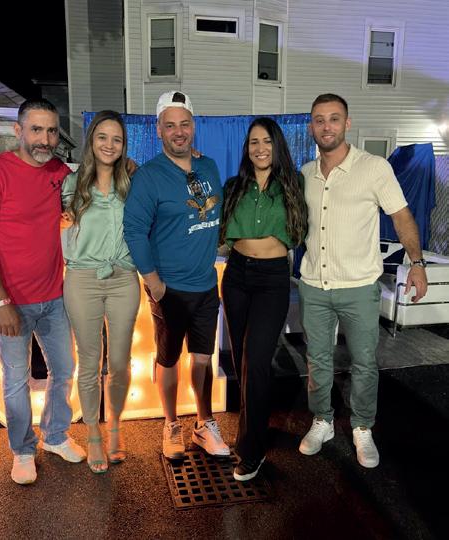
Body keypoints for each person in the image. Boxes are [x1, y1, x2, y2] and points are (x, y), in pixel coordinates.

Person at [298, 93, 428, 468]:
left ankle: (362, 427)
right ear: (311, 127)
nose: (326, 126)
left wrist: (417, 263)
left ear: (347, 123)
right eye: (319, 119)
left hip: (358, 287)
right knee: (317, 360)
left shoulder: (374, 168)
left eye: (334, 118)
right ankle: (322, 420)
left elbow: (402, 216)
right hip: (314, 285)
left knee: (364, 362)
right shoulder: (305, 173)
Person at [0, 98, 85, 485]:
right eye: (36, 129)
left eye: (51, 131)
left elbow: (89, 190)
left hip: (54, 297)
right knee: (16, 379)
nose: (45, 139)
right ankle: (22, 449)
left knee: (63, 370)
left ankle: (55, 435)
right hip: (11, 301)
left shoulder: (59, 172)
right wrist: (0, 301)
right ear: (18, 131)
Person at [123, 91, 229, 460]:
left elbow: (213, 216)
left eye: (184, 124)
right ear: (158, 130)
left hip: (206, 285)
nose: (178, 132)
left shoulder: (208, 167)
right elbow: (134, 230)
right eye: (170, 125)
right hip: (169, 288)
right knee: (168, 359)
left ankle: (204, 423)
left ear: (193, 127)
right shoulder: (149, 177)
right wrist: (153, 282)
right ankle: (170, 424)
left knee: (201, 359)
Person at [220, 117, 307, 481]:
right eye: (254, 142)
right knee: (242, 361)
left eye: (267, 141)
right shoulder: (234, 186)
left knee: (256, 360)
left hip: (272, 279)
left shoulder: (293, 183)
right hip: (237, 275)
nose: (260, 148)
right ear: (247, 148)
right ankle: (250, 428)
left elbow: (304, 228)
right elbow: (215, 228)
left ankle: (251, 450)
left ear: (277, 145)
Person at [62, 110, 140, 474]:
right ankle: (93, 431)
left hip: (124, 278)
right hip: (83, 279)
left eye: (117, 139)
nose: (109, 145)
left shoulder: (133, 182)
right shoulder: (71, 183)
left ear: (124, 145)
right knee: (90, 361)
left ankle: (115, 425)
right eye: (102, 137)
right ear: (91, 140)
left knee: (120, 363)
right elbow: (56, 226)